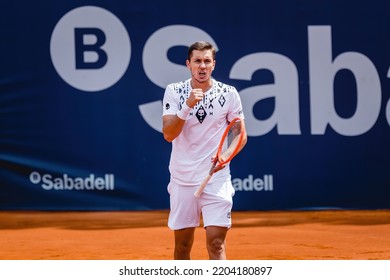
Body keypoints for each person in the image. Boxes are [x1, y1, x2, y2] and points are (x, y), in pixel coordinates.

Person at [162, 41, 247, 260]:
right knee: (182, 248)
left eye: (207, 61)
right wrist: (187, 106)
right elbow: (169, 134)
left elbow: (240, 133)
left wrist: (225, 156)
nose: (202, 66)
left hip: (216, 179)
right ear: (188, 64)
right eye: (197, 61)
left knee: (216, 244)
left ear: (214, 65)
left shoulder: (229, 93)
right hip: (183, 180)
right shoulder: (174, 91)